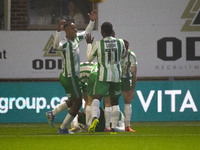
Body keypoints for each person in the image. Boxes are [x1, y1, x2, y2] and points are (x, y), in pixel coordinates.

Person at [46, 10, 97, 134]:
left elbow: (87, 32)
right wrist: (57, 31)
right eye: (73, 28)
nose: (75, 30)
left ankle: (53, 113)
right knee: (78, 103)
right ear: (66, 31)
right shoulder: (64, 43)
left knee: (74, 101)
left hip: (72, 77)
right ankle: (63, 128)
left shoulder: (76, 39)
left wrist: (92, 20)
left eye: (75, 28)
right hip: (70, 77)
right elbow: (56, 46)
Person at [85, 22, 126, 134]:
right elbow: (123, 55)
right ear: (112, 31)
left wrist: (89, 44)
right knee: (115, 102)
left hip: (103, 75)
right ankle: (112, 128)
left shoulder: (98, 44)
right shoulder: (120, 42)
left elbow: (88, 59)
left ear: (102, 32)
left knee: (96, 98)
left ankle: (94, 118)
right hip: (116, 75)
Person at [121, 40, 137, 132]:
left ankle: (127, 126)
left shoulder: (131, 56)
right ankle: (110, 125)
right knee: (111, 101)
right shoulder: (115, 53)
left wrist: (132, 89)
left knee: (128, 100)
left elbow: (134, 73)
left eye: (126, 49)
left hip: (126, 79)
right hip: (114, 78)